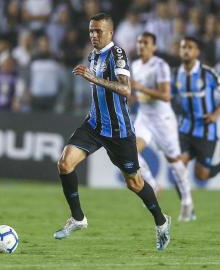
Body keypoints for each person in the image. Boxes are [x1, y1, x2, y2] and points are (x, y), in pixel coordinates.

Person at [53, 13, 171, 251]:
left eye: (98, 31)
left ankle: (161, 222)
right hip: (94, 124)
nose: (93, 35)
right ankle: (78, 219)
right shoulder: (93, 54)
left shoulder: (117, 53)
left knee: (134, 183)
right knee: (65, 164)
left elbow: (126, 89)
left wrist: (94, 78)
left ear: (110, 33)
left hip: (118, 131)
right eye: (91, 31)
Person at [131, 32, 194, 222]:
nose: (141, 45)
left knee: (175, 162)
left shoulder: (160, 65)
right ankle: (152, 185)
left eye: (146, 43)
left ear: (154, 47)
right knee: (130, 153)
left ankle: (187, 201)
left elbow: (166, 95)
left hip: (162, 118)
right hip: (144, 116)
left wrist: (140, 87)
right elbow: (135, 91)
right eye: (139, 42)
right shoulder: (134, 65)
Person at [172, 36, 220, 188]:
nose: (186, 51)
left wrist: (215, 114)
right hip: (185, 128)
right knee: (179, 167)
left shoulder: (208, 73)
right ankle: (187, 209)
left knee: (201, 175)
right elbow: (169, 96)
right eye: (183, 47)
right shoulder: (175, 74)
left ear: (197, 52)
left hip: (205, 129)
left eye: (190, 47)